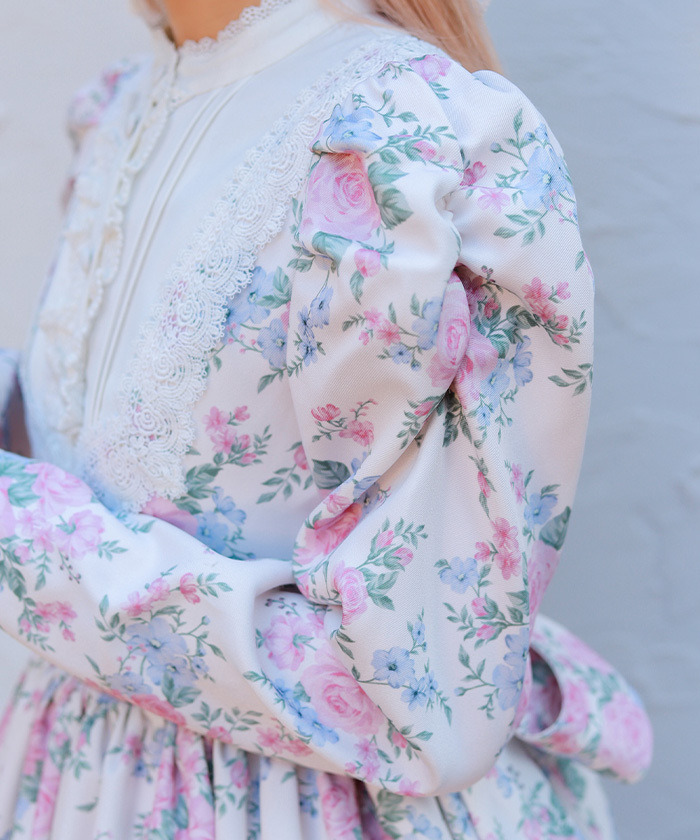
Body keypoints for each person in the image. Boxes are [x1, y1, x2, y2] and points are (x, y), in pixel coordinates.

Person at [0, 0, 652, 837]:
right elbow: (104, 460)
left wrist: (20, 540)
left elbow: (418, 703)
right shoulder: (122, 106)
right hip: (70, 784)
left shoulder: (401, 139)